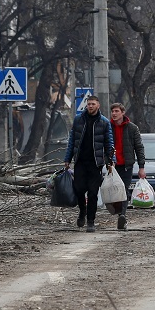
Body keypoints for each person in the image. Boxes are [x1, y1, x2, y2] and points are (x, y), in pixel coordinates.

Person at [64, 95, 115, 233]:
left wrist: (111, 161)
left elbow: (109, 143)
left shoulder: (104, 122)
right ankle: (82, 211)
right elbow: (72, 141)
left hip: (95, 163)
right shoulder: (78, 120)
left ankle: (91, 221)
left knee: (93, 193)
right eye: (88, 104)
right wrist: (67, 159)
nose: (90, 106)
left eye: (93, 104)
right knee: (79, 189)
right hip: (80, 161)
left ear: (98, 105)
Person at [109, 103, 146, 231]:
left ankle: (122, 216)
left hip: (126, 165)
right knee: (114, 191)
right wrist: (106, 161)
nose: (114, 113)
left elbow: (139, 147)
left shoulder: (132, 128)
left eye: (116, 111)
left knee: (123, 190)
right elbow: (103, 146)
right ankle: (119, 213)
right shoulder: (108, 128)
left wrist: (141, 167)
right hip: (112, 166)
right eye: (112, 111)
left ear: (123, 112)